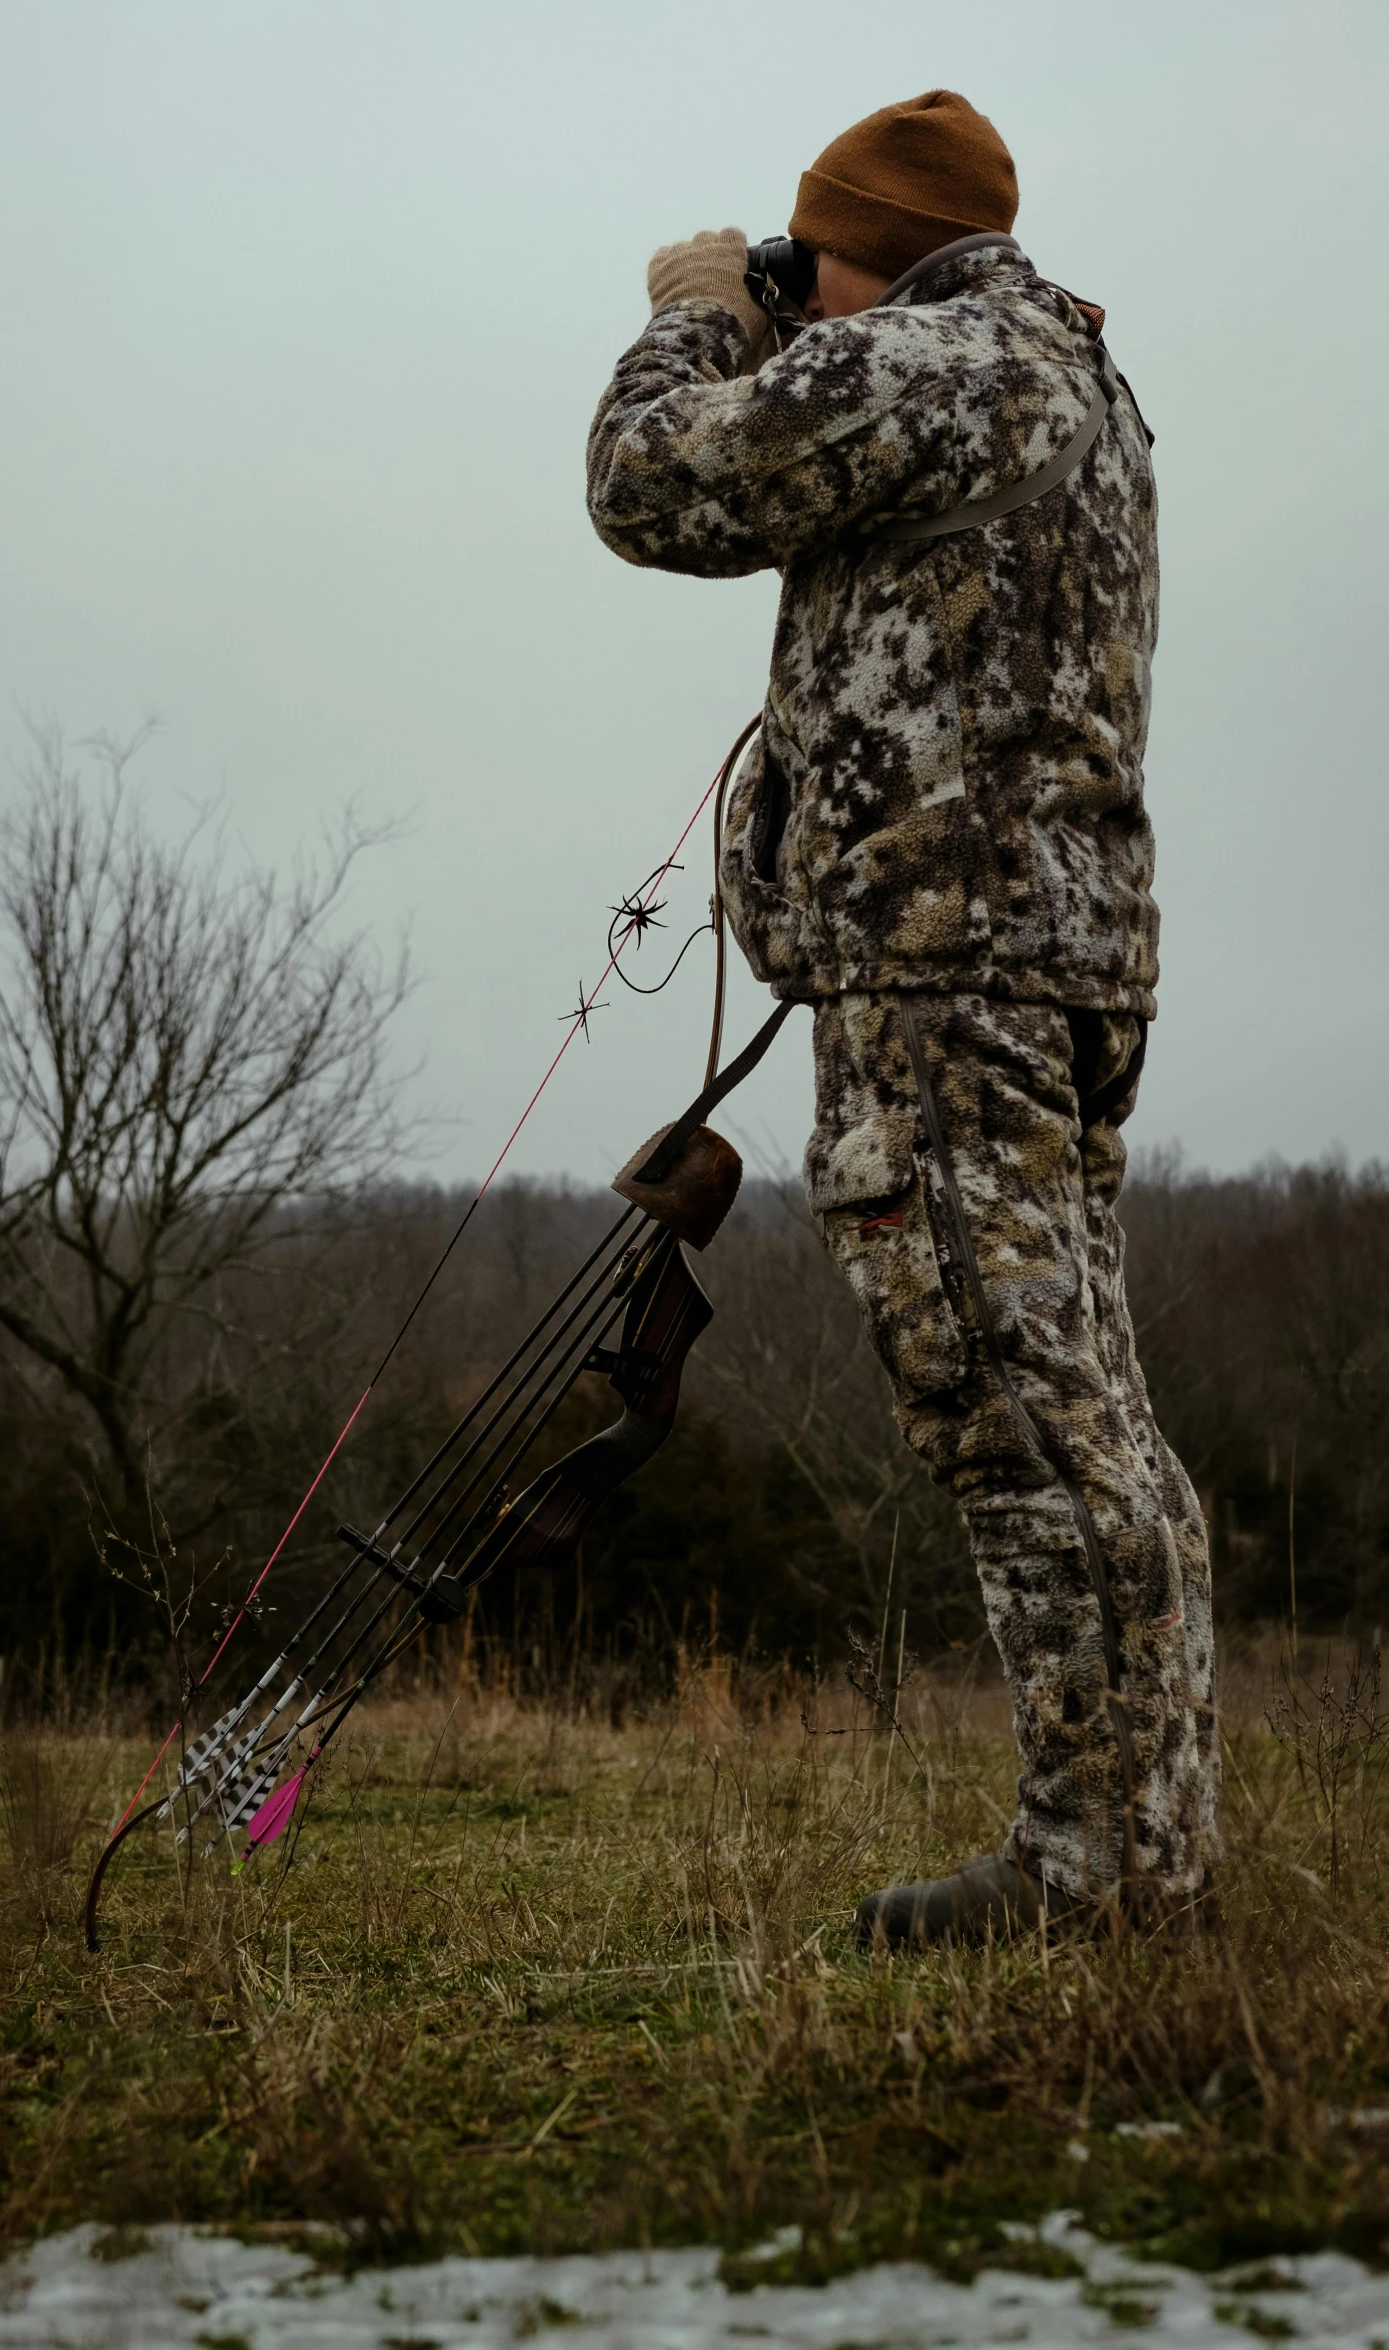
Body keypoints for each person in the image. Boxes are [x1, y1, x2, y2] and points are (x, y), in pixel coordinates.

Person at [586, 89, 1218, 1943]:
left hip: (950, 985)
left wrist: (704, 305)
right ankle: (1136, 1857)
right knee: (1089, 1419)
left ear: (864, 251)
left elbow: (644, 478)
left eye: (807, 262)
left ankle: (1093, 1879)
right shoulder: (1067, 375)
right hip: (1056, 964)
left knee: (1014, 1421)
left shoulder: (939, 363)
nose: (798, 296)